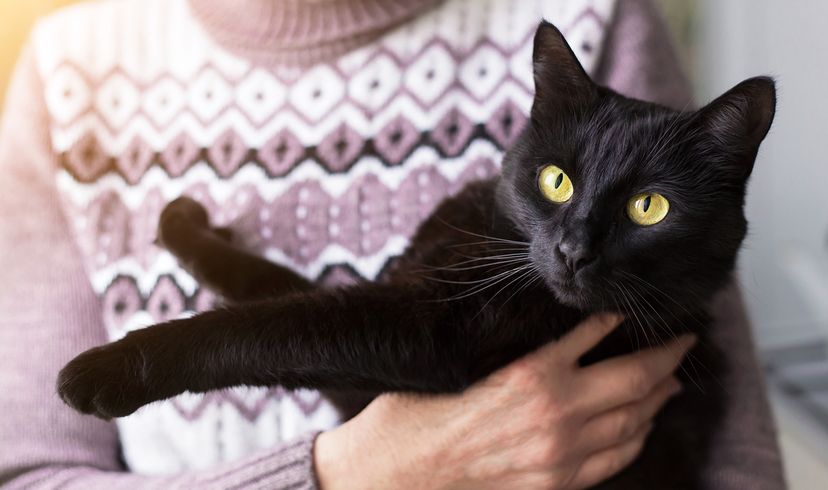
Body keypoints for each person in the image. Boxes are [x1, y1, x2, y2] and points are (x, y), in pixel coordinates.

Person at [0, 0, 785, 488]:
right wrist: (355, 473)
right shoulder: (67, 73)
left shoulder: (598, 15)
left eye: (644, 208)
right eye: (556, 190)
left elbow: (391, 340)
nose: (576, 248)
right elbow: (381, 362)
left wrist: (156, 356)